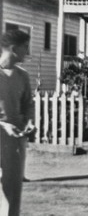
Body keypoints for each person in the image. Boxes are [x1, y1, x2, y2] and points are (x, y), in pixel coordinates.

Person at [0, 30, 35, 216]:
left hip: (15, 140)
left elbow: (28, 104)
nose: (27, 52)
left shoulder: (23, 76)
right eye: (25, 48)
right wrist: (3, 125)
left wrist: (29, 121)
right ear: (13, 49)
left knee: (12, 189)